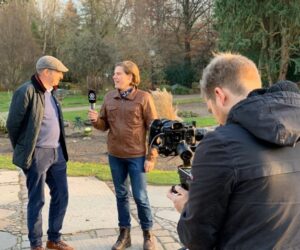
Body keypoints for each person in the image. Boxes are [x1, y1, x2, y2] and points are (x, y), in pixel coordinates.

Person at [167, 52, 300, 249]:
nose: (216, 119)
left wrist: (187, 207)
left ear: (220, 96)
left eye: (211, 109)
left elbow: (196, 238)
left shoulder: (220, 145)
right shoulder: (296, 130)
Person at [88, 60, 158, 250]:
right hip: (115, 155)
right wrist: (96, 121)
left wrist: (151, 157)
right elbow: (104, 126)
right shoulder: (110, 97)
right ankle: (124, 236)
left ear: (131, 77)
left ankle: (148, 234)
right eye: (114, 73)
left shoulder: (144, 98)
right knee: (121, 195)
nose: (114, 76)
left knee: (140, 196)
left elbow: (155, 129)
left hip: (137, 156)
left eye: (118, 73)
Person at [6, 56, 74, 250]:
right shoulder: (26, 91)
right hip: (37, 154)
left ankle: (54, 239)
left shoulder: (51, 93)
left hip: (57, 153)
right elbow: (13, 125)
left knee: (62, 194)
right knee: (37, 199)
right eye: (58, 72)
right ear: (46, 71)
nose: (61, 76)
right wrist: (26, 149)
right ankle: (36, 244)